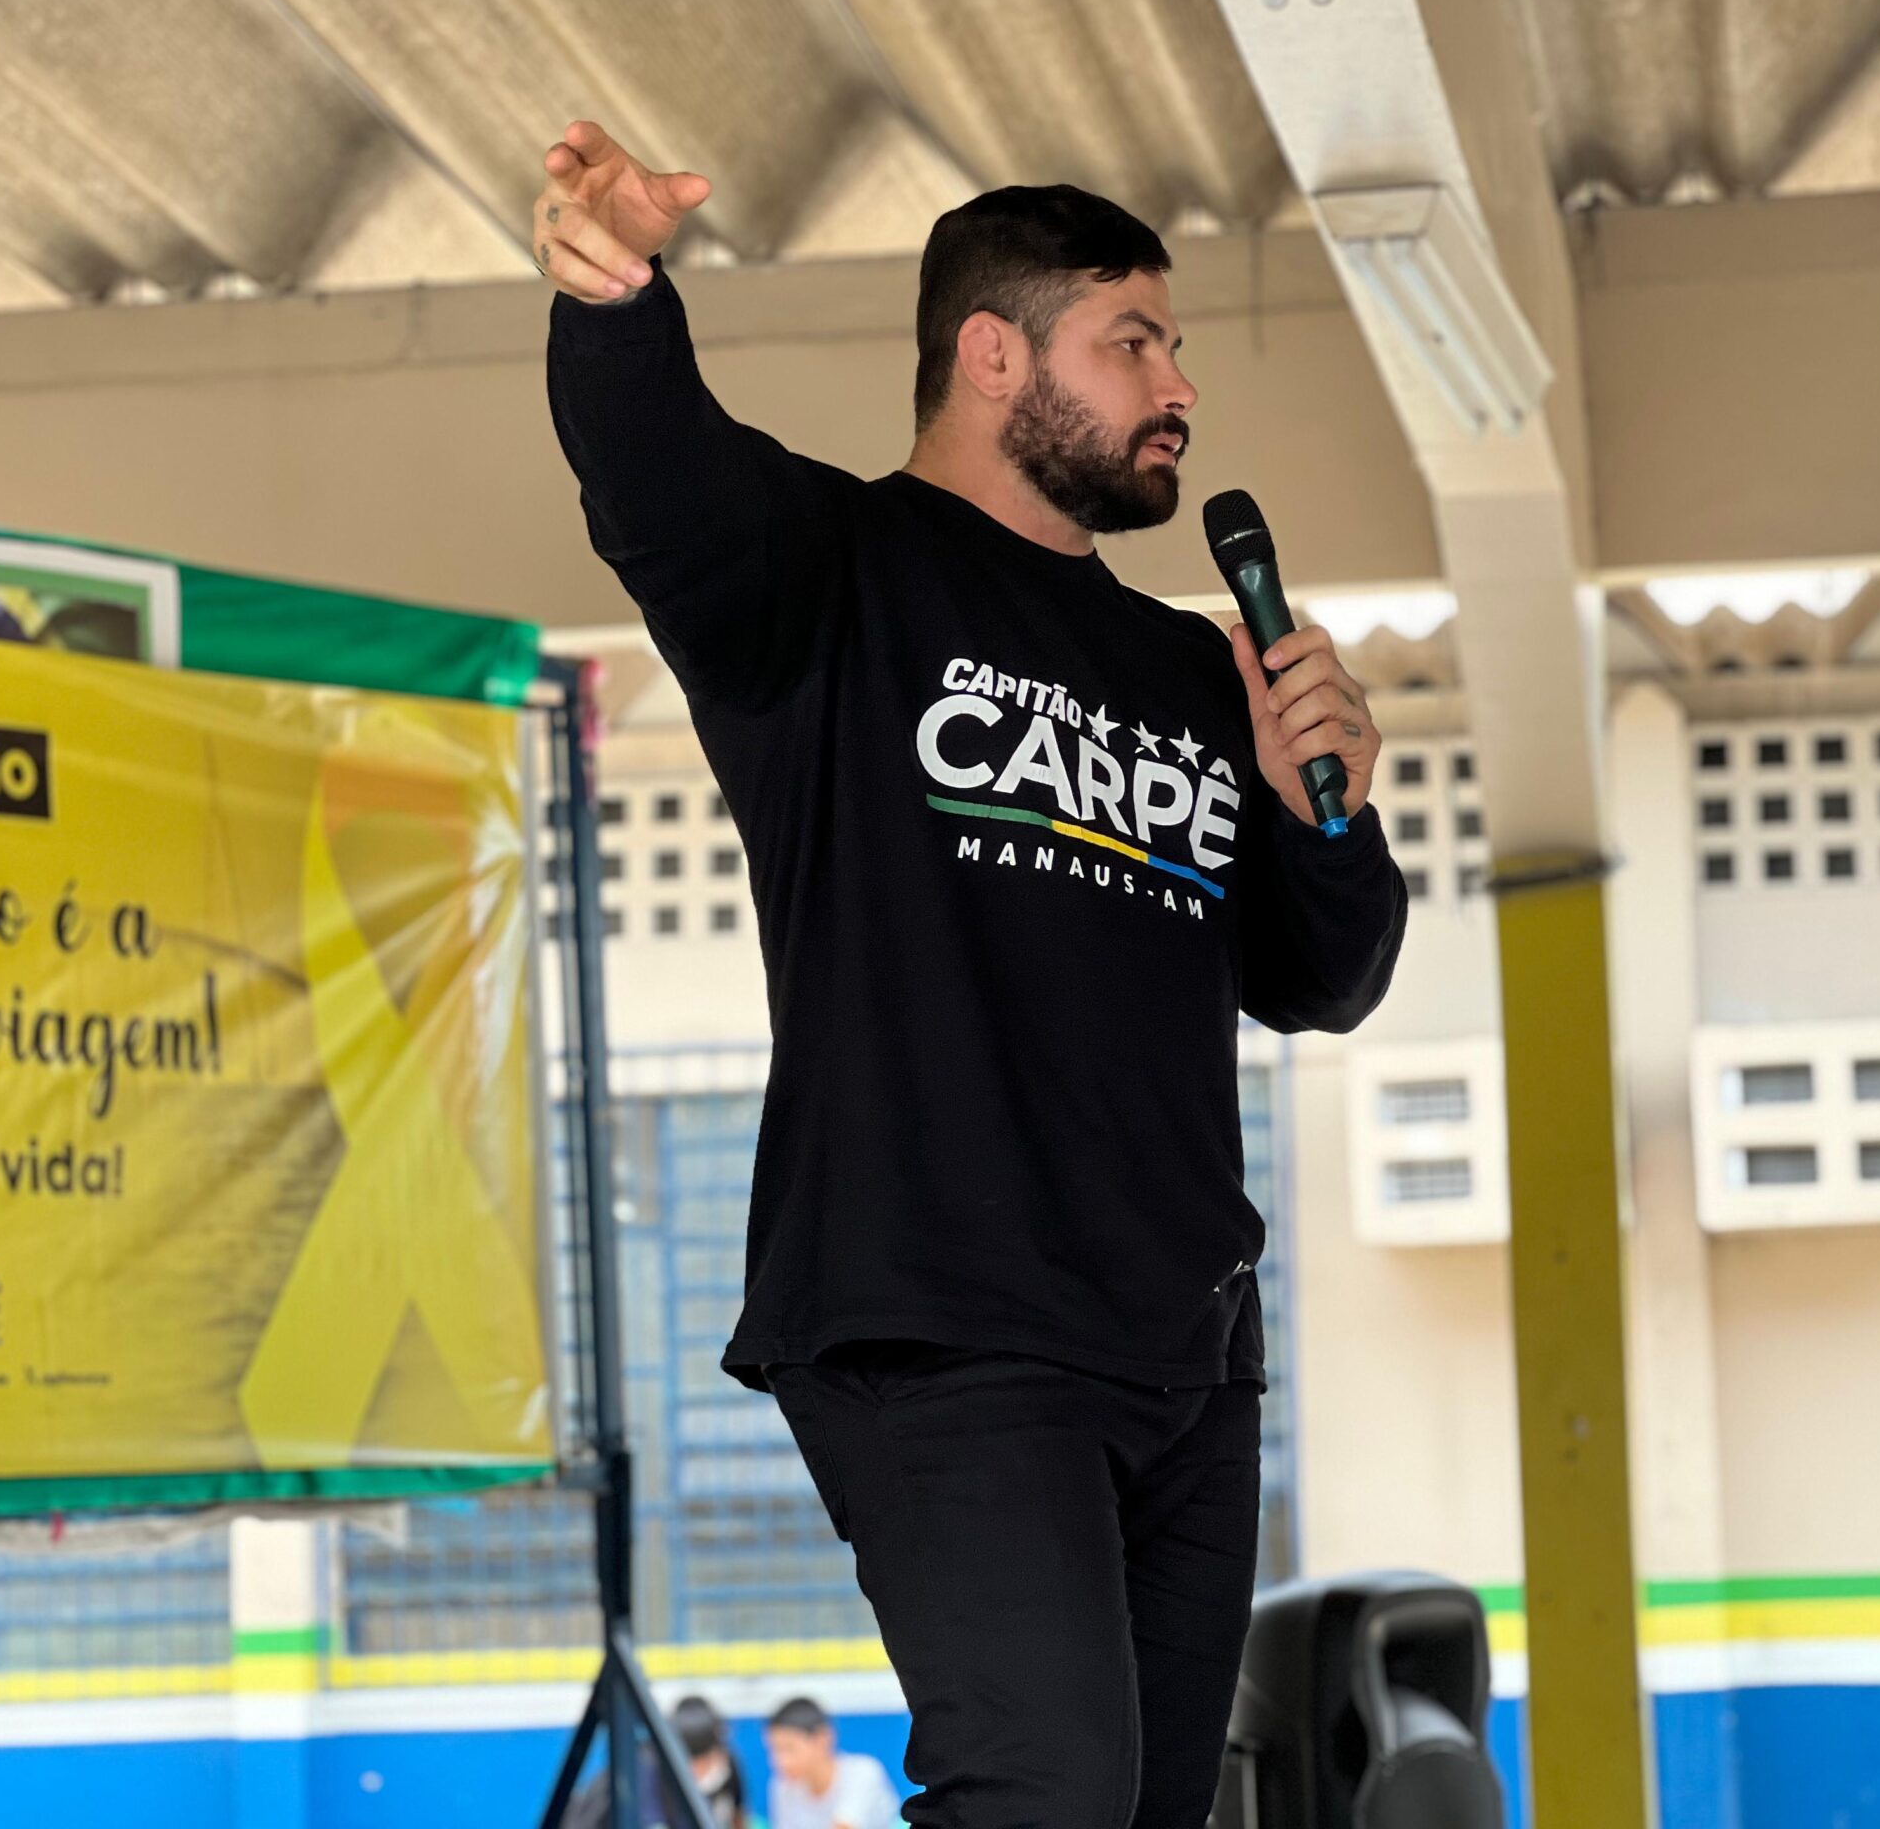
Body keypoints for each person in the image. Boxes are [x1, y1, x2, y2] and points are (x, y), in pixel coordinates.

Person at [539, 118, 1407, 1828]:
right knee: (1045, 1790)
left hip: (1184, 1350)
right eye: (1134, 338)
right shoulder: (830, 577)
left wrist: (1328, 808)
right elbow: (654, 467)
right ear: (992, 354)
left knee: (1149, 1809)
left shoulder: (1184, 669)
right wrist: (617, 292)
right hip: (941, 1319)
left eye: (1176, 344)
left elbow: (1328, 979)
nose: (1179, 387)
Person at [763, 1697, 901, 1829]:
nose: (780, 1761)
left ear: (822, 1739)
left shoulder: (863, 1772)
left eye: (789, 1748)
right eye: (774, 1750)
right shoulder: (781, 1787)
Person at [673, 1694, 756, 1829]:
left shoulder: (729, 1766)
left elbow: (739, 1816)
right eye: (694, 1763)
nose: (700, 1770)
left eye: (706, 1760)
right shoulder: (660, 1778)